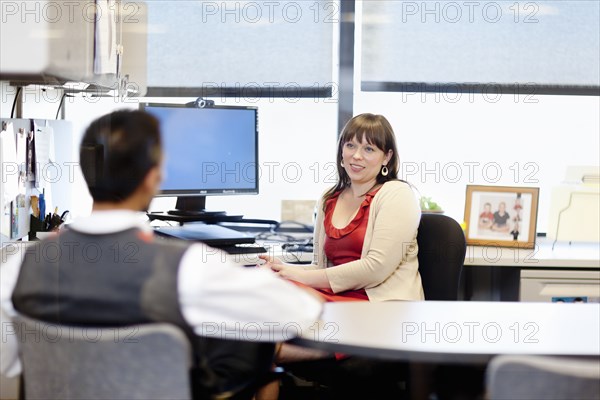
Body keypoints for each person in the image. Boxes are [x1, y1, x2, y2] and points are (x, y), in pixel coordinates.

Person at [0, 110, 322, 400]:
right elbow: (301, 314)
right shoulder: (186, 267)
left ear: (86, 174)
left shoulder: (20, 266)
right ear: (154, 177)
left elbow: (7, 361)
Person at [257, 113, 423, 398]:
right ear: (341, 150)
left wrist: (299, 276)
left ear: (387, 157)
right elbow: (320, 267)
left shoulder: (397, 194)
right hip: (339, 302)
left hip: (380, 308)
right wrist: (284, 269)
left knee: (257, 350)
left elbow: (375, 268)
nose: (356, 156)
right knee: (265, 296)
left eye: (369, 149)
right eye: (350, 146)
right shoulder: (329, 198)